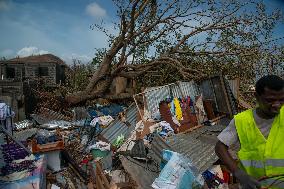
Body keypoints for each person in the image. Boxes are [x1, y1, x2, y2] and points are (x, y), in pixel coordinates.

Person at [215, 75, 284, 189]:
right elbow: (220, 147)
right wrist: (239, 174)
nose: (277, 105)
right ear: (256, 96)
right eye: (270, 100)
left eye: (282, 100)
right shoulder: (242, 120)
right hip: (254, 185)